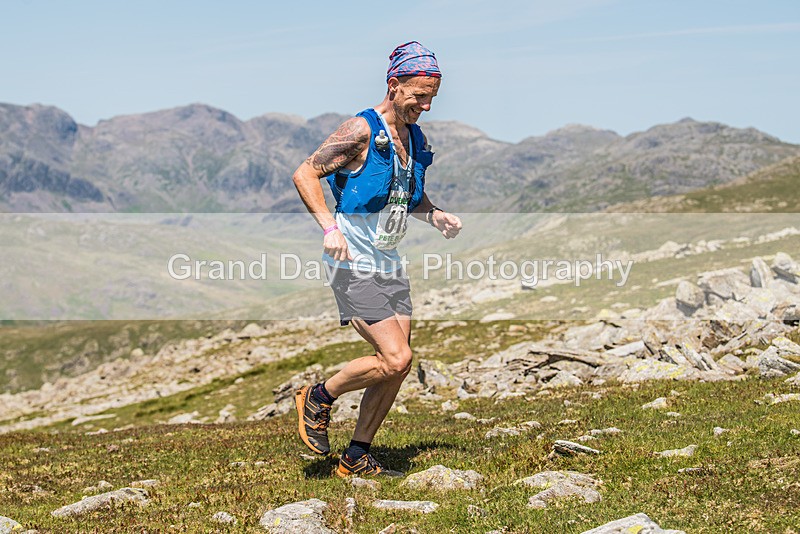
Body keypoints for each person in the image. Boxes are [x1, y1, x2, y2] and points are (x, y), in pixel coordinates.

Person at [291, 41, 462, 477]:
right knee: (396, 358)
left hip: (389, 261)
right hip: (351, 261)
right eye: (418, 95)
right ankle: (318, 396)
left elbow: (409, 196)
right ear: (394, 84)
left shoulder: (415, 137)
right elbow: (305, 173)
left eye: (431, 98)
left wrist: (435, 214)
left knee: (396, 367)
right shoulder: (361, 130)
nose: (425, 106)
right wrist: (330, 230)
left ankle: (356, 456)